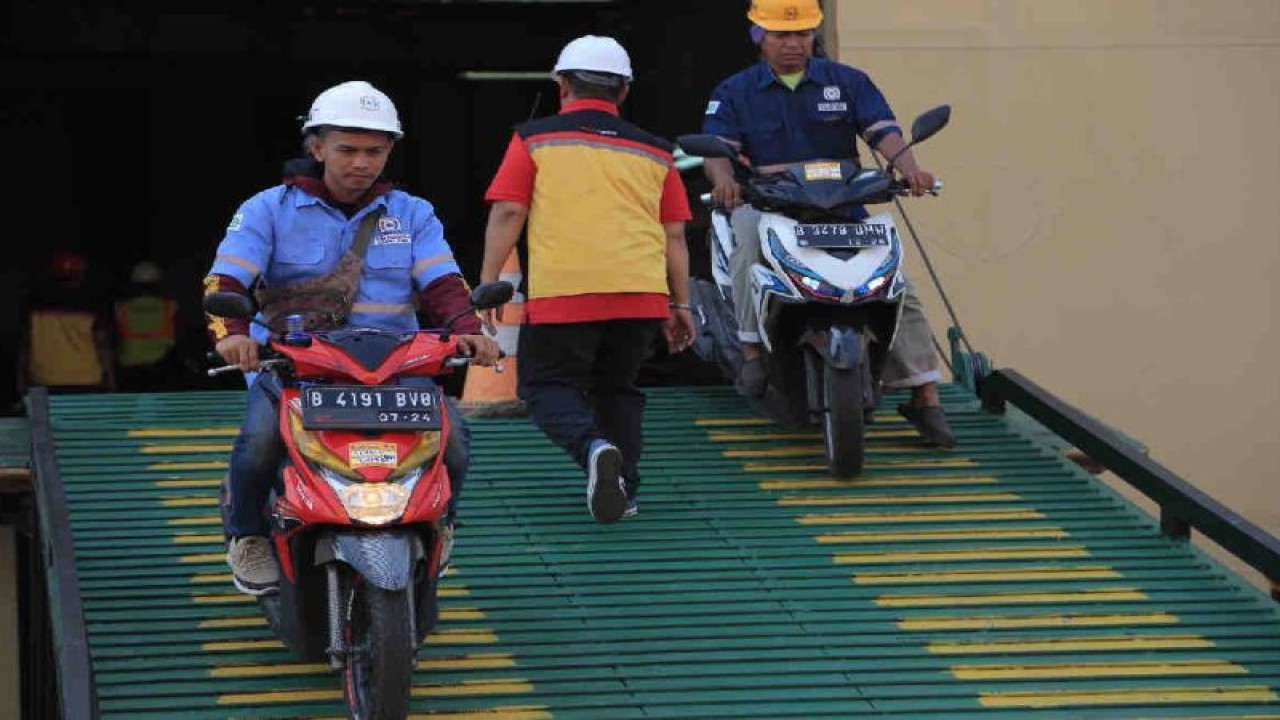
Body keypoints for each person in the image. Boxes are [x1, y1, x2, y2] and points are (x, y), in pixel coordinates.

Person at [203, 80, 501, 595]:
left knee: (455, 441)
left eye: (374, 151)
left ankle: (442, 523)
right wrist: (232, 334)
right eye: (347, 149)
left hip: (395, 370)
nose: (361, 162)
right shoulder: (266, 209)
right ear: (316, 148)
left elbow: (445, 284)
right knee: (257, 445)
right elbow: (224, 282)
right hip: (296, 371)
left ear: (389, 152)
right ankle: (247, 535)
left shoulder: (413, 213)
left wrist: (470, 331)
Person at [701, 0, 956, 448]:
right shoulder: (735, 90)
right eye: (782, 35)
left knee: (896, 284)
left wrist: (910, 168)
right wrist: (725, 182)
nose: (793, 44)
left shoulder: (848, 82)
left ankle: (925, 395)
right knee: (744, 247)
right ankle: (751, 352)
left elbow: (883, 132)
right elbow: (717, 151)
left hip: (843, 206)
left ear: (813, 35)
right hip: (770, 205)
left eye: (801, 34)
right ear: (759, 36)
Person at [480, 35, 696, 524]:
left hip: (564, 293)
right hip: (641, 295)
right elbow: (675, 236)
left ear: (562, 84)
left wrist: (490, 283)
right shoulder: (657, 151)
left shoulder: (534, 138)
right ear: (623, 92)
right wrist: (681, 305)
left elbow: (510, 210)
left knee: (544, 385)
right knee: (617, 388)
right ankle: (627, 491)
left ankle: (593, 448)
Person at [16, 250, 117, 400]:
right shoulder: (92, 310)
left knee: (43, 424)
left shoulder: (34, 312)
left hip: (44, 379)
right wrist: (111, 381)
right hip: (86, 378)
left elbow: (25, 348)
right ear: (80, 277)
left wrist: (21, 382)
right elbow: (102, 347)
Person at [114, 260, 180, 392]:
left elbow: (114, 337)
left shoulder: (121, 308)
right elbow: (179, 335)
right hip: (161, 365)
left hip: (129, 367)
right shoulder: (170, 306)